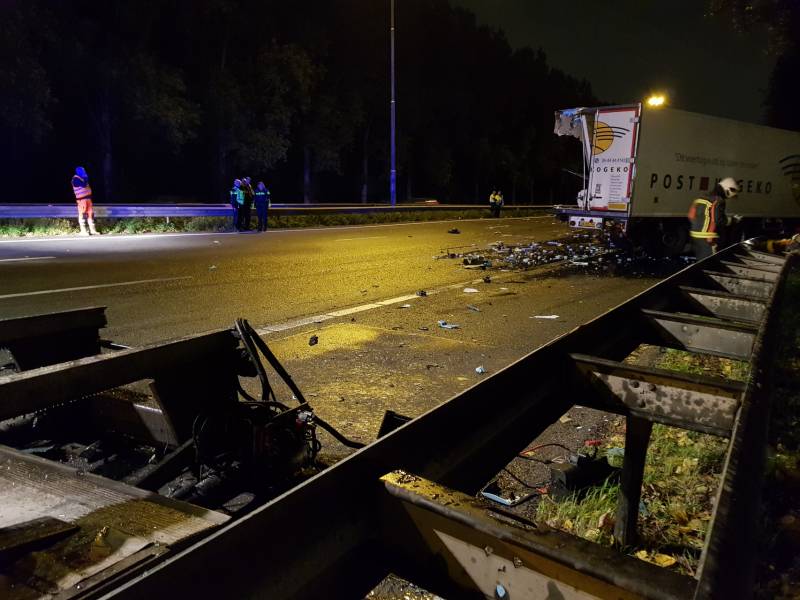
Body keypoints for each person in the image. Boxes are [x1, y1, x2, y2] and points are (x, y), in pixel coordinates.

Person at [688, 177, 739, 260]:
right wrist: (732, 220)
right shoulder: (719, 201)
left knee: (700, 262)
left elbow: (691, 216)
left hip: (695, 236)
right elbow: (718, 220)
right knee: (710, 264)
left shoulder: (700, 198)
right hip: (708, 238)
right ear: (728, 190)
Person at [71, 166, 98, 235]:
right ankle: (83, 231)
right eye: (82, 170)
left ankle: (92, 230)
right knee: (82, 214)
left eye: (84, 170)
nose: (84, 171)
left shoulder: (82, 178)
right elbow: (83, 185)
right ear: (78, 171)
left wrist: (85, 178)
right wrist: (86, 178)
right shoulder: (75, 179)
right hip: (81, 200)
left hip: (88, 199)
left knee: (90, 214)